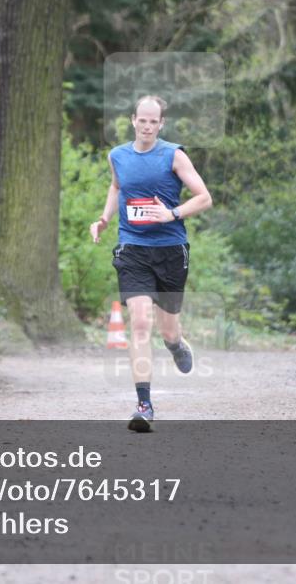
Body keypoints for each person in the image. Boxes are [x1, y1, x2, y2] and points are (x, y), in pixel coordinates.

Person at [90, 95, 213, 432]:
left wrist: (171, 213)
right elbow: (117, 187)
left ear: (161, 124)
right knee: (140, 323)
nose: (146, 126)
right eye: (141, 120)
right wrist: (103, 219)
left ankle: (175, 344)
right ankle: (144, 405)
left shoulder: (174, 155)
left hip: (171, 250)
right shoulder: (118, 156)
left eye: (152, 122)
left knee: (167, 329)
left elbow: (204, 197)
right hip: (133, 248)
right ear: (133, 120)